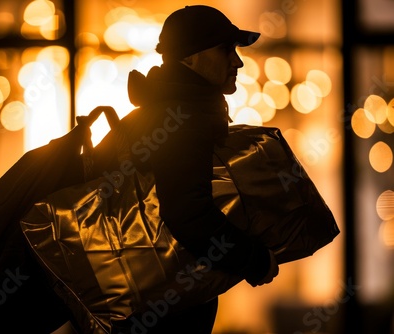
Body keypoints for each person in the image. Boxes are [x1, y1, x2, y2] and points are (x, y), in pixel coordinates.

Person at [102, 5, 279, 333]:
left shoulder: (163, 109)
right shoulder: (182, 118)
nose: (237, 61)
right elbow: (188, 212)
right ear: (190, 58)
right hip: (160, 309)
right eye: (226, 50)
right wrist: (254, 259)